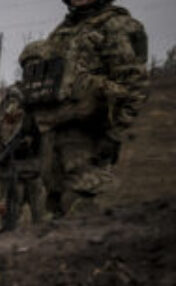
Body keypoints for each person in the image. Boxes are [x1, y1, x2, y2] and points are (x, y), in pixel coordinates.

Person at [35, 0, 149, 216]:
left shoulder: (115, 25)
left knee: (80, 205)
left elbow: (135, 84)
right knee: (55, 206)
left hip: (90, 134)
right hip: (56, 133)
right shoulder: (64, 30)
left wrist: (115, 133)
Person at [0, 42, 50, 231]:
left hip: (41, 172)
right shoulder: (14, 97)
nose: (34, 70)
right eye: (30, 66)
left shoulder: (52, 96)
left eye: (38, 65)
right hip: (12, 171)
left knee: (47, 227)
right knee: (7, 227)